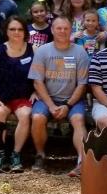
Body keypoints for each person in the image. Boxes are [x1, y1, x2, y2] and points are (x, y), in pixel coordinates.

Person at [28, 16, 91, 176]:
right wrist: (51, 105)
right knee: (37, 118)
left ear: (71, 30)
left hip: (72, 99)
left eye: (66, 28)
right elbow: (37, 82)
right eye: (59, 28)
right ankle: (40, 155)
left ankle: (82, 161)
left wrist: (68, 105)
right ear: (52, 30)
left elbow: (82, 84)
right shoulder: (43, 51)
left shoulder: (80, 52)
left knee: (78, 120)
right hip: (48, 98)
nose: (62, 31)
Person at [0, 16, 35, 173]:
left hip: (23, 96)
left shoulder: (33, 49)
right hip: (2, 97)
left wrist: (35, 91)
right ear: (6, 31)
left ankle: (16, 154)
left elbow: (41, 76)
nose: (16, 32)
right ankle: (0, 154)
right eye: (12, 29)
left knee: (25, 114)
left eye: (20, 29)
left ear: (25, 32)